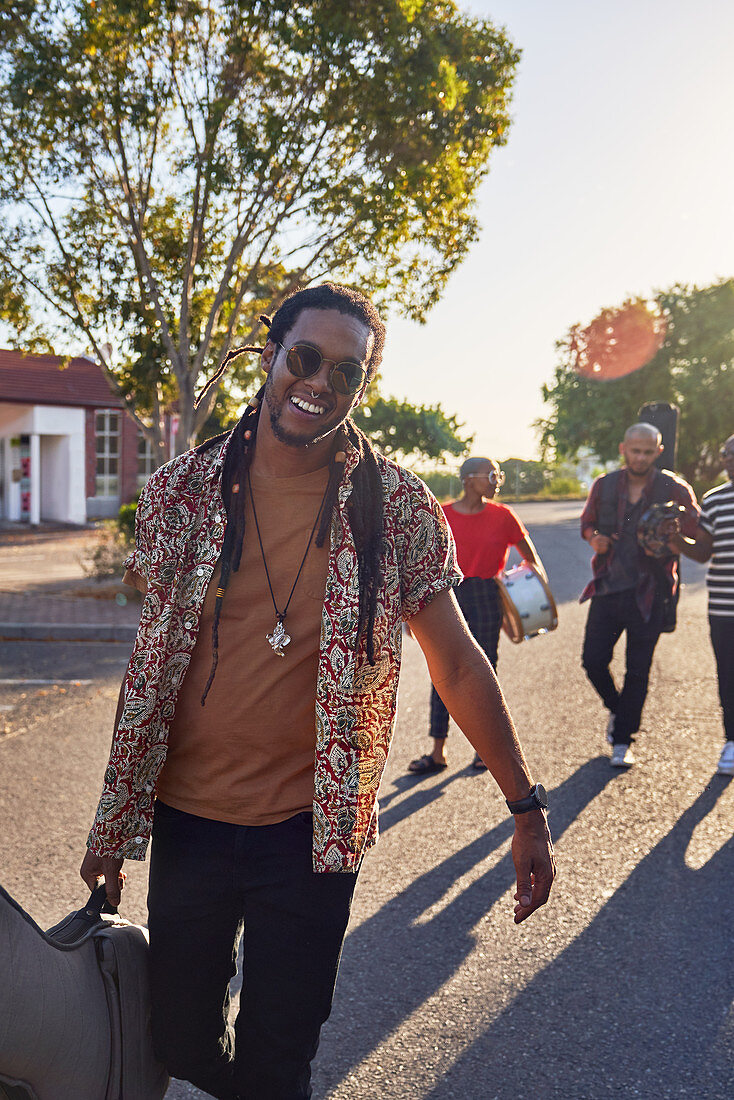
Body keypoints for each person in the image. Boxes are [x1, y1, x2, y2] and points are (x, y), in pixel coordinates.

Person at [79, 283, 555, 1100]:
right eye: (305, 359)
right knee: (179, 1039)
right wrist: (111, 828)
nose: (320, 384)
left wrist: (525, 804)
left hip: (312, 831)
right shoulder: (180, 497)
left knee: (279, 1059)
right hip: (190, 823)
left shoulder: (396, 507)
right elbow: (150, 674)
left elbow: (459, 662)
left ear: (362, 385)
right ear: (269, 355)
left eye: (346, 372)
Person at [407, 455, 548, 775]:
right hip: (447, 596)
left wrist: (534, 600)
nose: (497, 480)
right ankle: (437, 752)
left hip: (487, 595)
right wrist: (410, 614)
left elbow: (531, 560)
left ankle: (484, 752)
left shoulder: (504, 516)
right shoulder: (440, 515)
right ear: (469, 479)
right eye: (491, 475)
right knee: (442, 671)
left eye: (498, 475)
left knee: (484, 672)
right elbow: (418, 563)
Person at [580, 422, 699, 768]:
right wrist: (594, 538)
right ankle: (621, 712)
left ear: (659, 452)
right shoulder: (604, 486)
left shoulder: (674, 488)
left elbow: (694, 533)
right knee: (592, 660)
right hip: (608, 586)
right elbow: (587, 523)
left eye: (648, 451)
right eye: (636, 450)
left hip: (652, 591)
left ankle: (622, 741)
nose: (641, 457)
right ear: (623, 449)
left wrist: (671, 538)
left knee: (638, 669)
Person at [666, 433, 734, 775]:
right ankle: (732, 741)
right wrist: (676, 539)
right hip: (724, 606)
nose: (729, 461)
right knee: (729, 675)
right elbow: (704, 552)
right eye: (727, 455)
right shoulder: (716, 499)